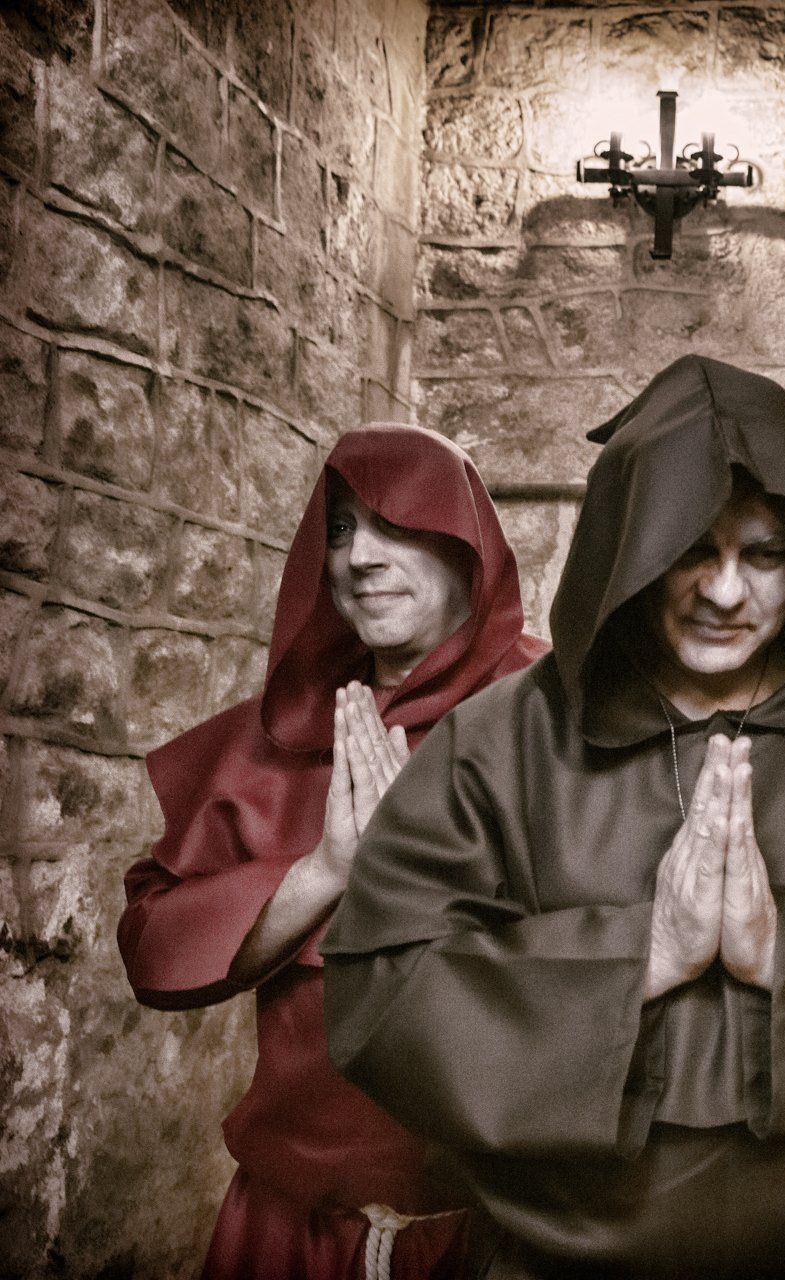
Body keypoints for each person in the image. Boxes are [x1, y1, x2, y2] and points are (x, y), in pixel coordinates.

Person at [320, 355, 785, 1280]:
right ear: (632, 549)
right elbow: (379, 986)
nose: (724, 592)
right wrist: (643, 955)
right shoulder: (501, 742)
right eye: (692, 551)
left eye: (764, 555)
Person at [118, 425, 546, 1280]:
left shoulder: (556, 715)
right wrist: (325, 874)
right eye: (342, 529)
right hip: (291, 1233)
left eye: (396, 524)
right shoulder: (291, 728)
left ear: (467, 544)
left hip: (503, 1235)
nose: (360, 558)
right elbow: (154, 945)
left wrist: (424, 874)